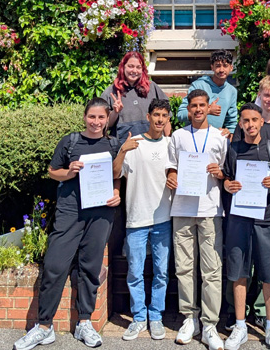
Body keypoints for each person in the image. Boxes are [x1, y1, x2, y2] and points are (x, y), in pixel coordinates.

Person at [14, 98, 122, 350]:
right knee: (54, 265)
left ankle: (84, 322)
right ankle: (44, 326)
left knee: (90, 268)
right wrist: (70, 172)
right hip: (70, 211)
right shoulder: (70, 141)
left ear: (108, 119)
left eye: (101, 118)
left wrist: (116, 193)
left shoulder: (112, 144)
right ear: (84, 117)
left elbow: (117, 175)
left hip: (101, 212)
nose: (96, 122)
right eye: (91, 117)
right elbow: (53, 171)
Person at [224, 77, 270, 331]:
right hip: (240, 213)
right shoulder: (233, 147)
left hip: (268, 211)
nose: (250, 124)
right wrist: (227, 184)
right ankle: (240, 323)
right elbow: (227, 176)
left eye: (254, 120)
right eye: (245, 121)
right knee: (239, 268)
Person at [166, 89, 228, 349]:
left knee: (212, 269)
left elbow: (227, 172)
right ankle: (190, 318)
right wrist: (171, 175)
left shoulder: (219, 136)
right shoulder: (177, 136)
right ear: (188, 109)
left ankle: (210, 324)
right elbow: (171, 166)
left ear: (208, 108)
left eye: (203, 105)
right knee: (184, 268)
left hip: (210, 209)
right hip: (182, 209)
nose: (198, 109)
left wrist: (220, 173)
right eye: (194, 105)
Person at [112, 98, 173, 341]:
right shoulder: (133, 143)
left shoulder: (171, 144)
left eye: (164, 116)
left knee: (161, 272)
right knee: (135, 272)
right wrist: (122, 151)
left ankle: (155, 316)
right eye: (156, 114)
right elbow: (115, 173)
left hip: (163, 218)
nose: (159, 119)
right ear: (148, 116)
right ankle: (138, 317)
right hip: (136, 218)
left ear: (168, 119)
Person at [102, 51, 170, 144]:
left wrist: (168, 141)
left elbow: (166, 118)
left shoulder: (152, 88)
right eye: (130, 66)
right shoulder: (111, 92)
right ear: (123, 67)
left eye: (138, 67)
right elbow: (104, 125)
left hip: (151, 143)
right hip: (123, 146)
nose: (134, 71)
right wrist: (115, 112)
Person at [177, 50, 238, 137]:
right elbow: (181, 114)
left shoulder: (231, 91)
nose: (221, 70)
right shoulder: (198, 85)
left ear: (231, 68)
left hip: (214, 140)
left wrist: (228, 134)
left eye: (225, 66)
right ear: (212, 67)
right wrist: (208, 111)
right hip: (192, 136)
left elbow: (231, 123)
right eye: (218, 66)